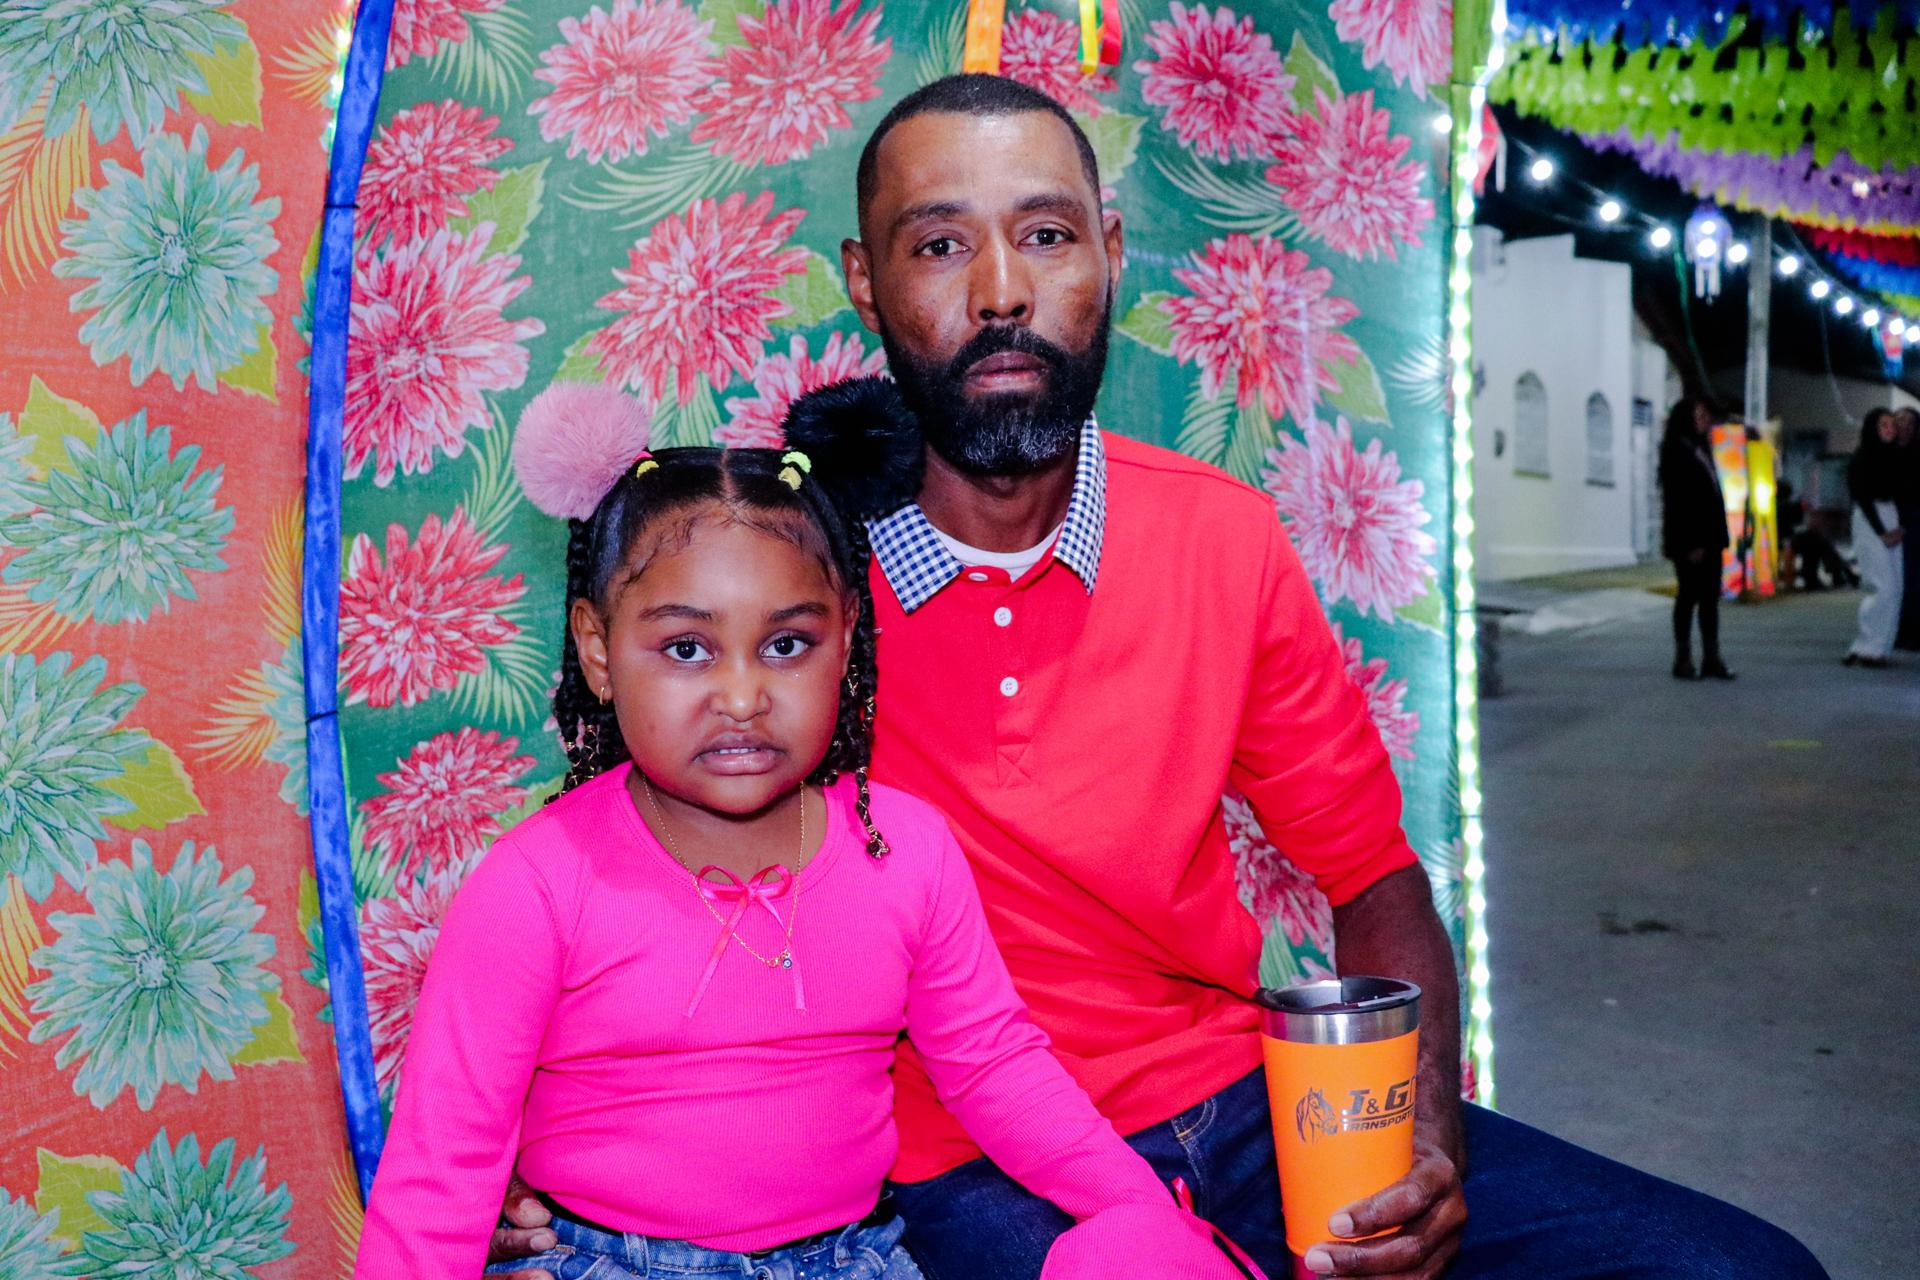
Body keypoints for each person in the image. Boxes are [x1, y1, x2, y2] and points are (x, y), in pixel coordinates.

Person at [491, 75, 1827, 1280]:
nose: (1001, 290)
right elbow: (621, 889)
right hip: (959, 1153)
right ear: (865, 282)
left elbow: (1374, 881)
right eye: (940, 245)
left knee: (1746, 1268)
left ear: (1111, 256)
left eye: (1047, 233)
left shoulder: (1221, 537)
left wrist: (1422, 1146)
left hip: (1247, 1103)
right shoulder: (786, 582)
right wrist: (545, 1155)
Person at [355, 399, 1250, 1278]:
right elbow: (443, 1164)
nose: (744, 698)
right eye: (687, 649)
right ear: (598, 650)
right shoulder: (535, 885)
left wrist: (1140, 1212)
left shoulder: (906, 851)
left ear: (848, 639)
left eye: (786, 645)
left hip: (857, 1260)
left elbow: (995, 1069)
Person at [1658, 397, 1735, 680]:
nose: (1705, 421)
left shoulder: (1701, 448)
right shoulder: (1677, 451)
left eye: (1706, 415)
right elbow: (1679, 502)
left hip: (1711, 538)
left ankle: (1711, 658)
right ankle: (1683, 659)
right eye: (1699, 415)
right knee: (1688, 596)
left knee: (1709, 599)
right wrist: (1690, 543)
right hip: (1690, 540)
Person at [1843, 407, 1906, 668]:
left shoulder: (1895, 457)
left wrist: (1899, 527)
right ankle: (1867, 646)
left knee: (1895, 587)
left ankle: (1878, 647)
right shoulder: (1862, 458)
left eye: (1892, 425)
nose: (1890, 430)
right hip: (1870, 520)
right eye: (1883, 425)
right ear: (1872, 428)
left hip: (1890, 516)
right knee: (1883, 586)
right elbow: (1863, 497)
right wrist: (1882, 531)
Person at [1893, 406, 1920, 649]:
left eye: (1910, 423)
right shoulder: (1885, 452)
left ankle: (1911, 630)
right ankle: (1898, 629)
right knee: (1893, 578)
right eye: (1900, 421)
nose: (1905, 427)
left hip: (1913, 519)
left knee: (1912, 576)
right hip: (1890, 519)